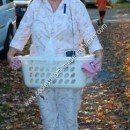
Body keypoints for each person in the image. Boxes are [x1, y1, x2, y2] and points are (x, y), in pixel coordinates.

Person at [7, 0, 103, 129]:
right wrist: (11, 52)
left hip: (69, 70)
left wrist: (98, 52)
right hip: (41, 70)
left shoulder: (75, 5)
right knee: (48, 117)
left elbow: (88, 30)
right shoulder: (35, 6)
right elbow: (23, 29)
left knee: (68, 117)